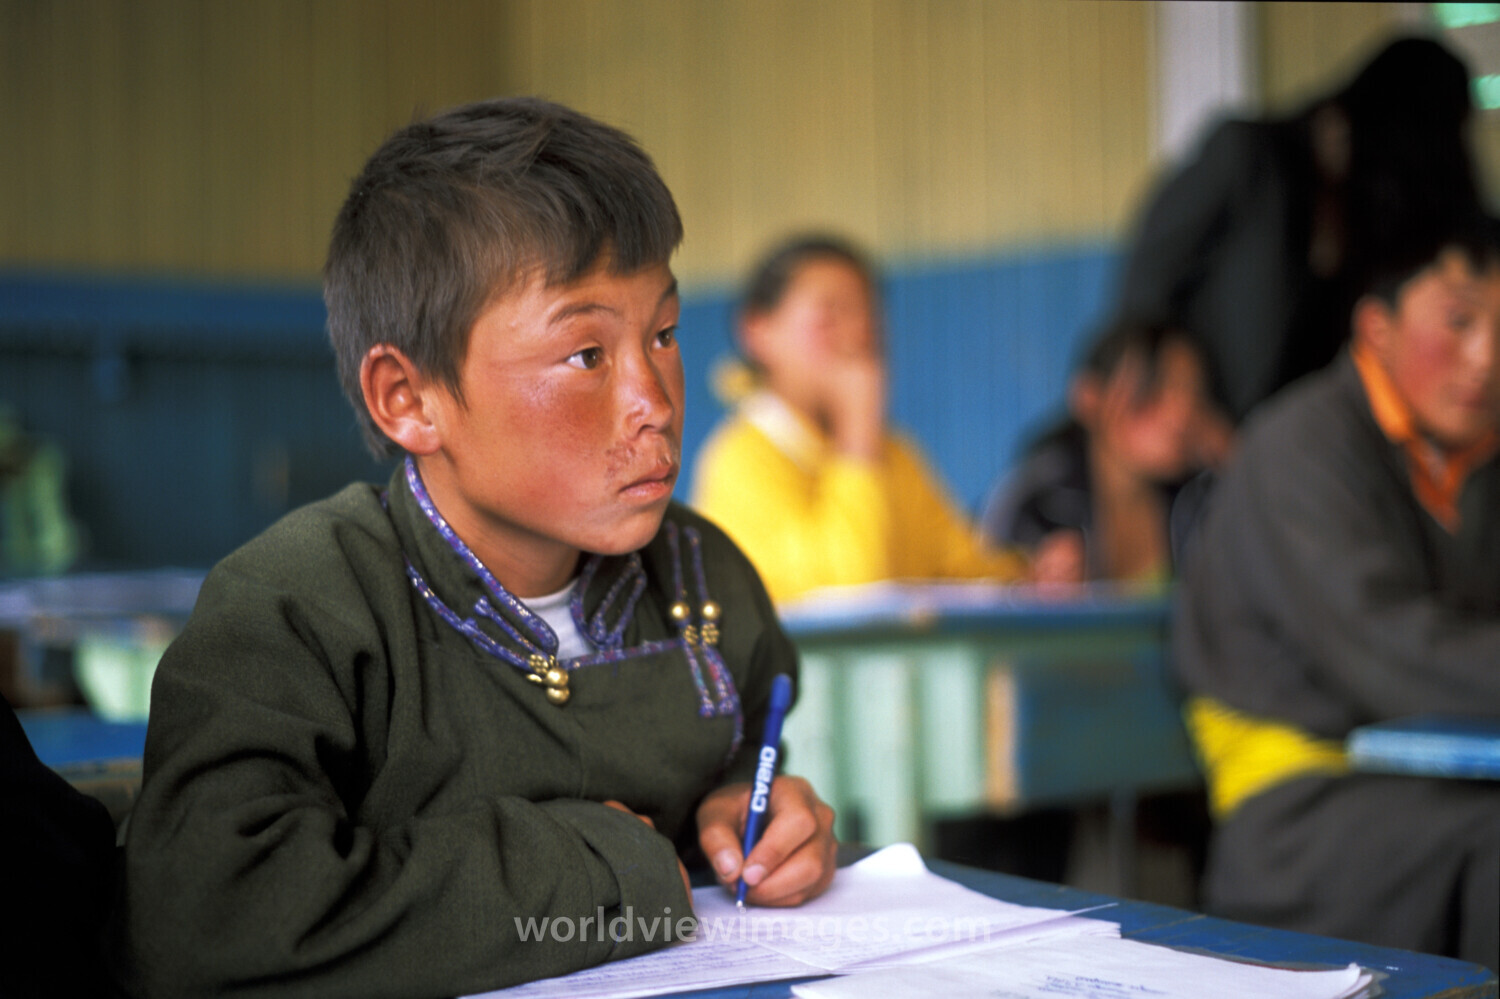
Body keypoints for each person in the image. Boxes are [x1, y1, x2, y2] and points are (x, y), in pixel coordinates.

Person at [107, 97, 837, 997]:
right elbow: (202, 915)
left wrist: (753, 818)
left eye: (664, 333)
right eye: (586, 354)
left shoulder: (703, 574)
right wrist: (597, 869)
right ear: (409, 399)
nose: (654, 402)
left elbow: (744, 763)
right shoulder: (297, 605)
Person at [1172, 211, 1500, 972]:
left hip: (1431, 776)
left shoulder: (1471, 458)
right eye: (1459, 322)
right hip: (1301, 814)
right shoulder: (1301, 448)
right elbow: (1388, 654)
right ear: (1377, 328)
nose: (1486, 357)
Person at [1112, 35, 1482, 425]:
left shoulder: (1372, 206)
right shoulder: (1247, 156)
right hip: (1200, 434)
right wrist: (1190, 416)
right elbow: (1147, 289)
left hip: (1293, 436)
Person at [690, 234, 1028, 603]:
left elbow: (966, 569)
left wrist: (1025, 577)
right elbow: (853, 593)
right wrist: (856, 431)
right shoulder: (740, 461)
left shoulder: (895, 455)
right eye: (830, 316)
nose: (856, 335)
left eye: (867, 314)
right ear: (758, 331)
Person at [981, 320, 1230, 586]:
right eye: (1154, 388)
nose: (1181, 413)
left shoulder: (1204, 495)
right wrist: (1029, 587)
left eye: (1195, 394)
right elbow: (982, 591)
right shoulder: (1036, 501)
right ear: (1089, 398)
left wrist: (1235, 463)